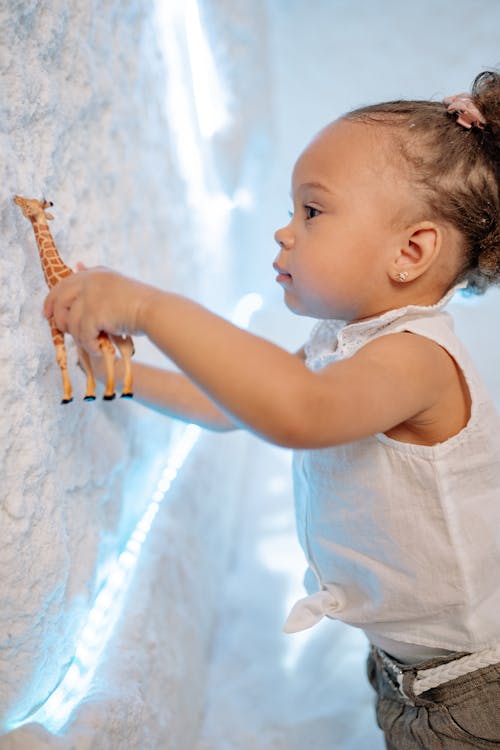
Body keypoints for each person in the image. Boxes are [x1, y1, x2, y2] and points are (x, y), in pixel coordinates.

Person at [44, 71, 500, 748]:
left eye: (312, 211)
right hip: (409, 673)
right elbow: (230, 404)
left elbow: (299, 414)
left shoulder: (416, 359)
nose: (284, 233)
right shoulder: (350, 346)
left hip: (474, 693)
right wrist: (118, 375)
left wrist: (149, 307)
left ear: (411, 252)